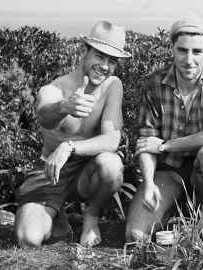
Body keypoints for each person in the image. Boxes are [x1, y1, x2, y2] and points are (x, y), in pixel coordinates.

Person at [15, 20, 131, 247]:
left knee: (111, 165)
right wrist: (64, 107)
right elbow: (44, 115)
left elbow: (112, 139)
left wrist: (69, 146)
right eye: (99, 56)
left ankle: (90, 218)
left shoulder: (112, 86)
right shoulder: (56, 88)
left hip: (86, 171)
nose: (105, 66)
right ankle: (56, 215)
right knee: (27, 238)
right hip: (51, 171)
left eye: (112, 61)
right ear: (83, 52)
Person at [125, 16, 203, 242]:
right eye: (182, 50)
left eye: (196, 51)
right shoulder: (154, 83)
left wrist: (165, 146)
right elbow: (146, 141)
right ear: (172, 49)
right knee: (135, 236)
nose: (189, 59)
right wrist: (148, 183)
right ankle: (175, 211)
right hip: (169, 171)